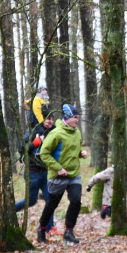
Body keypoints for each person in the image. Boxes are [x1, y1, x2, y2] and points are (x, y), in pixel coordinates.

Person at [36, 104, 88, 244]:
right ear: (67, 117)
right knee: (52, 205)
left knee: (76, 201)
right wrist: (58, 168)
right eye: (75, 117)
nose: (77, 120)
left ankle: (69, 232)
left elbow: (71, 150)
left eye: (78, 117)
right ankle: (41, 228)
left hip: (74, 174)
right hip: (58, 176)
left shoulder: (77, 132)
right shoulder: (55, 133)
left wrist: (80, 153)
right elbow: (44, 154)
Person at [16, 114, 56, 226]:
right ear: (42, 119)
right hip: (32, 173)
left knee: (50, 200)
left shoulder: (52, 132)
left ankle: (48, 228)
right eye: (48, 118)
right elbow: (21, 148)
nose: (50, 121)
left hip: (45, 172)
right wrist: (35, 143)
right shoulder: (32, 131)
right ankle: (11, 210)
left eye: (52, 119)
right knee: (31, 201)